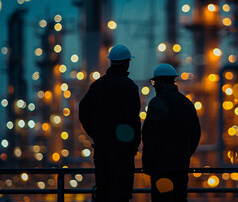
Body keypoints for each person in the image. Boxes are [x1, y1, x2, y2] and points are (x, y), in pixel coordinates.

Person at [79, 44, 141, 202]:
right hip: (122, 151)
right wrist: (132, 147)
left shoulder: (97, 86)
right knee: (120, 193)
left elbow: (83, 112)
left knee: (103, 191)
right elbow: (133, 122)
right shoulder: (129, 87)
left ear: (111, 62)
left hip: (102, 149)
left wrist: (96, 135)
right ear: (127, 63)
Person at [142, 63, 201, 202]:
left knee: (162, 199)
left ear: (161, 82)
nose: (154, 85)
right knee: (179, 198)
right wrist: (185, 154)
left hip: (161, 167)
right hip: (180, 166)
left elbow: (149, 135)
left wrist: (148, 162)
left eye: (154, 82)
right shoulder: (186, 104)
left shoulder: (157, 103)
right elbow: (195, 134)